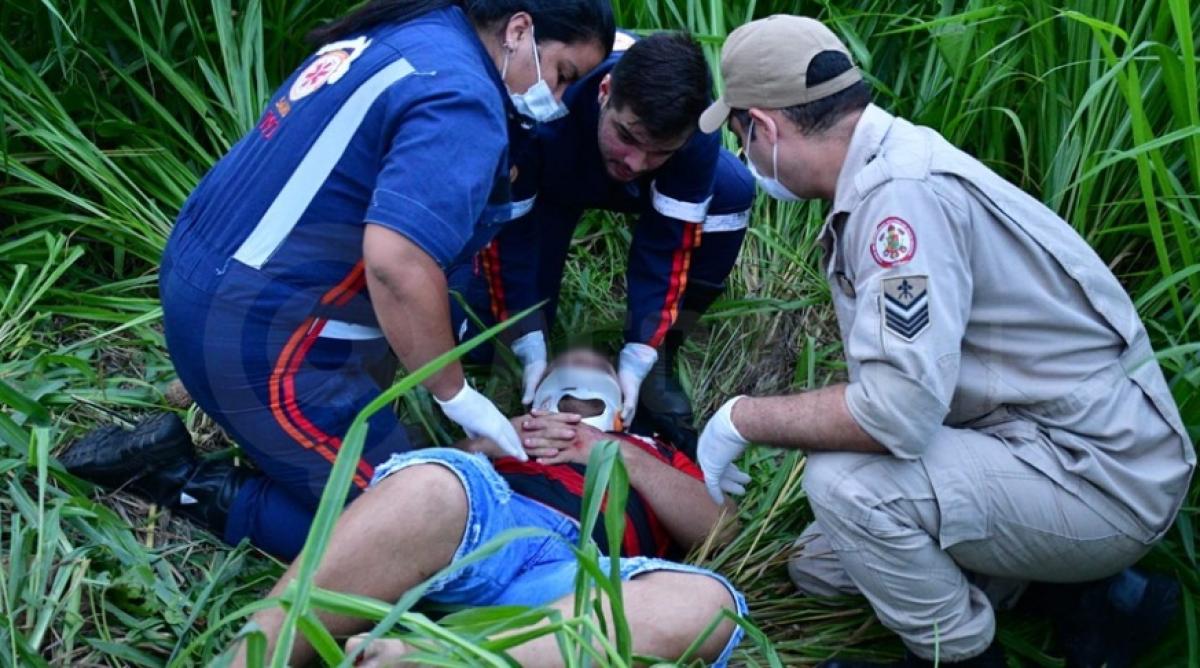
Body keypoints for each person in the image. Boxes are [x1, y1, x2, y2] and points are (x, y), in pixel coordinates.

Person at [694, 15, 1194, 668]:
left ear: (763, 126)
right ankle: (1097, 598)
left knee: (847, 485)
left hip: (1099, 474)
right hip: (1039, 437)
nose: (745, 157)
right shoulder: (886, 162)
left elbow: (895, 412)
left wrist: (742, 419)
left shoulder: (899, 202)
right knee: (823, 563)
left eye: (739, 136)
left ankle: (959, 655)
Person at [60, 0, 617, 561]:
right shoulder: (464, 101)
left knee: (443, 314)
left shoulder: (419, 30)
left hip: (200, 280)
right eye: (563, 74)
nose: (561, 99)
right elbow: (395, 262)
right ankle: (183, 480)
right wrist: (459, 396)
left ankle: (296, 440)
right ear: (519, 29)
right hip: (258, 345)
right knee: (415, 542)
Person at [231, 348, 747, 667]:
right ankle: (249, 659)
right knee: (431, 485)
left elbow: (720, 530)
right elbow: (401, 496)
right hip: (488, 527)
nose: (580, 378)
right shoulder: (497, 433)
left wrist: (618, 456)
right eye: (567, 367)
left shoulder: (658, 449)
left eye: (598, 370)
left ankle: (425, 660)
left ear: (623, 399)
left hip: (579, 579)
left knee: (710, 606)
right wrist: (488, 445)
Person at [450, 31, 756, 456]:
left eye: (659, 151)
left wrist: (641, 351)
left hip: (634, 173)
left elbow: (669, 244)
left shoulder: (693, 133)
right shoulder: (541, 105)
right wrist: (526, 337)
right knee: (487, 343)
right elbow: (510, 232)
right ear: (605, 92)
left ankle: (661, 356)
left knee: (732, 192)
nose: (637, 163)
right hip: (555, 172)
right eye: (628, 137)